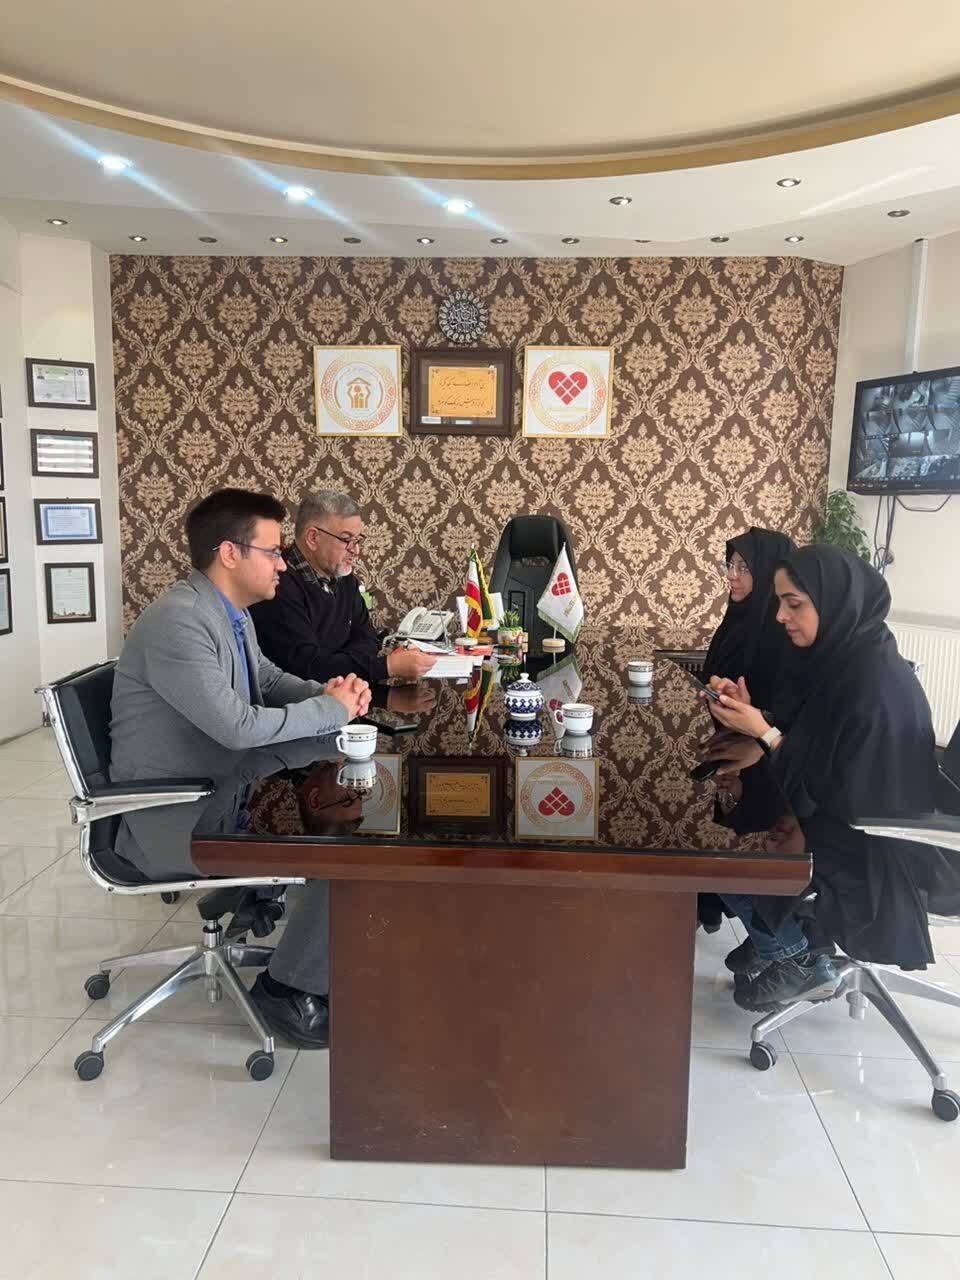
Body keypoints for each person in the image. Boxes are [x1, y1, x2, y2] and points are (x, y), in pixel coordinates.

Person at [110, 487, 372, 1047]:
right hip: (176, 815)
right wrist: (331, 710)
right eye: (273, 551)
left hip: (220, 785)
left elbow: (268, 681)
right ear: (230, 553)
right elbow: (238, 727)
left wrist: (329, 695)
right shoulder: (181, 622)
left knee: (343, 800)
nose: (284, 564)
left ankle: (306, 958)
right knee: (346, 849)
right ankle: (287, 995)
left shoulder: (229, 612)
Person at [705, 544, 945, 1012]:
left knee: (726, 854)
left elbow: (849, 789)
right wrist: (757, 715)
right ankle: (780, 936)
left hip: (875, 843)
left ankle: (797, 956)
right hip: (843, 814)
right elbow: (820, 737)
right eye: (780, 602)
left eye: (794, 604)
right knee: (735, 812)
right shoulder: (846, 656)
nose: (780, 616)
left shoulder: (876, 682)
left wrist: (764, 733)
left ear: (835, 603)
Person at [250, 490, 437, 709]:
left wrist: (335, 663)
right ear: (313, 538)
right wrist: (387, 667)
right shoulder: (276, 586)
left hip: (347, 703)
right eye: (346, 539)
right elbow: (306, 669)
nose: (356, 550)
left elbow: (368, 639)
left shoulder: (345, 580)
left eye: (358, 540)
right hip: (297, 712)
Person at [703, 527, 796, 712]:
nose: (730, 576)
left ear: (769, 572)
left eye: (743, 568)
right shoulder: (735, 620)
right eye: (730, 565)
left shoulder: (789, 636)